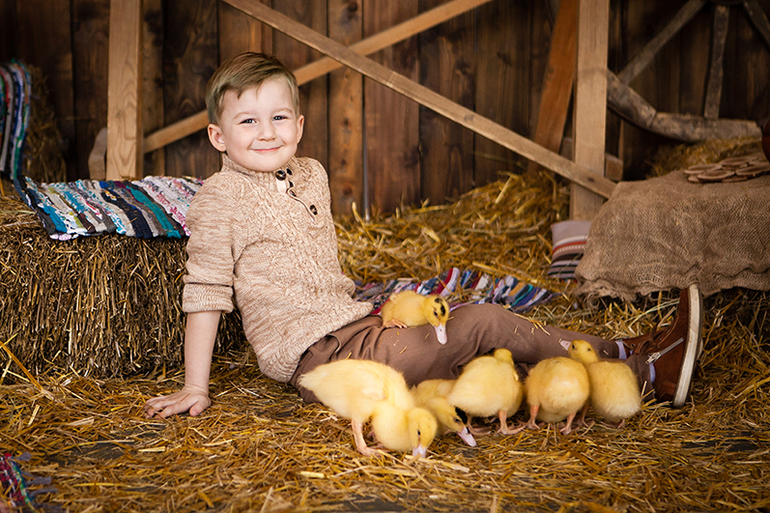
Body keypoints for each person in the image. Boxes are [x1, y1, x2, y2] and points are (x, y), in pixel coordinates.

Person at [144, 52, 703, 420]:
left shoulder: (310, 173)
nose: (267, 133)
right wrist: (197, 388)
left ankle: (629, 351)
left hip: (356, 324)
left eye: (279, 118)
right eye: (247, 122)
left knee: (469, 339)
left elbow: (313, 271)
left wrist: (368, 306)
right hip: (319, 358)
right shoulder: (220, 198)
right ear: (218, 136)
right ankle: (645, 373)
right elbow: (207, 291)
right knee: (481, 323)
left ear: (300, 124)